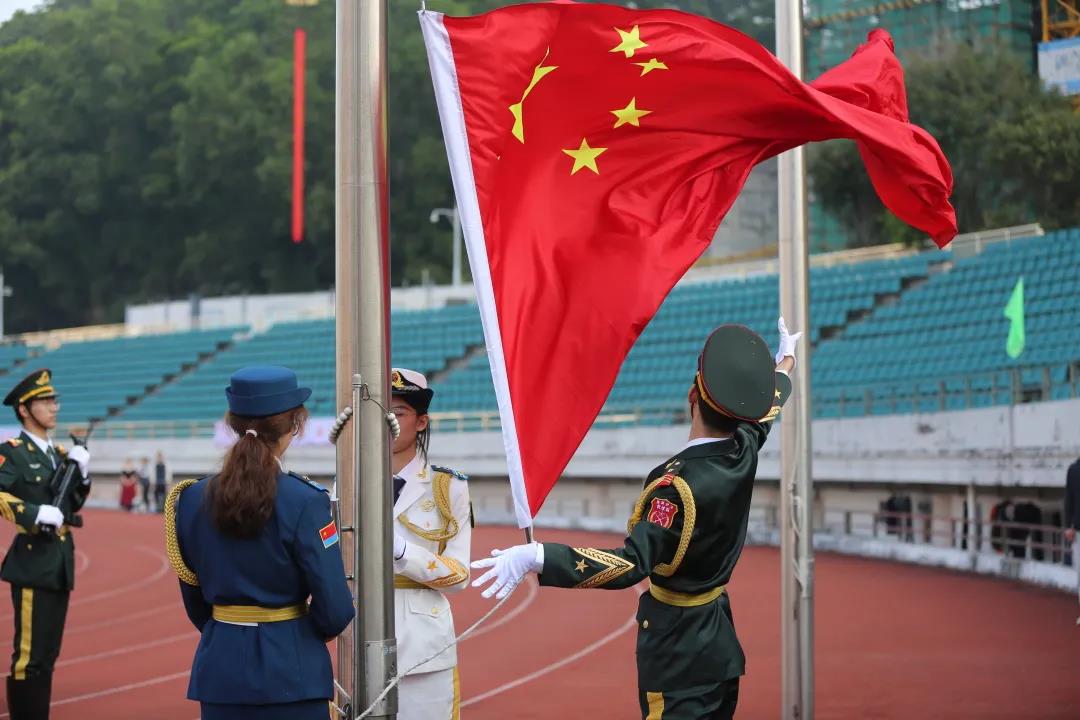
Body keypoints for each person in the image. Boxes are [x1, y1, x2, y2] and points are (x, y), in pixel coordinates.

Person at [472, 319, 801, 720]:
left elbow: (630, 564)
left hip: (679, 656)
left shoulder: (676, 487)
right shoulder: (743, 449)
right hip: (718, 646)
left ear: (692, 395)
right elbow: (767, 412)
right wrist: (784, 363)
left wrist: (540, 557)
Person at [164, 366, 353, 720]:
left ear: (233, 422)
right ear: (295, 425)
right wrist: (292, 637)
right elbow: (336, 609)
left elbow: (194, 597)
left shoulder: (189, 499)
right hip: (293, 674)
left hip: (221, 671)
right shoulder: (307, 500)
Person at [0, 369, 91, 719]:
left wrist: (81, 473)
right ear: (24, 409)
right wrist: (32, 513)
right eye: (45, 401)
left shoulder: (58, 453)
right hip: (33, 561)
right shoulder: (14, 453)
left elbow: (72, 504)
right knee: (29, 656)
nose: (54, 407)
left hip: (59, 561)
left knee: (48, 653)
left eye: (54, 400)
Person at [389, 368, 472, 720]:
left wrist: (402, 552)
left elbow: (459, 576)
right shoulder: (346, 482)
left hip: (422, 647)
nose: (387, 422)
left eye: (399, 413)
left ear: (421, 422)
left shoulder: (447, 487)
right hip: (356, 636)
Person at [1065, 456, 1080, 625]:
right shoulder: (1074, 470)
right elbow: (1069, 498)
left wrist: (1069, 525)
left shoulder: (1074, 469)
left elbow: (1068, 499)